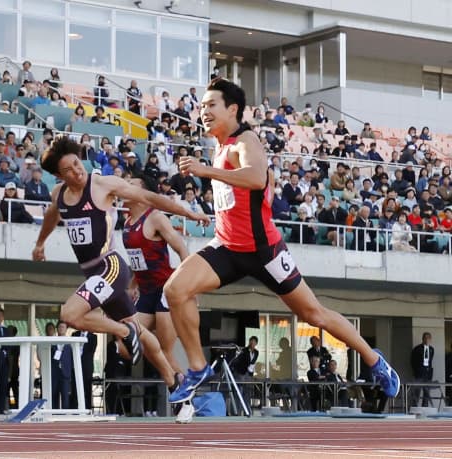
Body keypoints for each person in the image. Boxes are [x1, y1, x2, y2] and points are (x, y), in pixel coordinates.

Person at [163, 78, 401, 406]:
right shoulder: (218, 146)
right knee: (175, 290)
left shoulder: (244, 141)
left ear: (232, 109)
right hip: (228, 247)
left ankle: (375, 362)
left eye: (211, 105)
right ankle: (198, 367)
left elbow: (256, 177)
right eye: (201, 106)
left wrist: (206, 171)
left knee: (314, 315)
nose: (203, 111)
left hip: (265, 252)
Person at [33, 137, 210, 403]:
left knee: (70, 314)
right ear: (59, 175)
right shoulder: (59, 194)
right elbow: (51, 215)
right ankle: (176, 385)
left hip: (111, 267)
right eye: (68, 170)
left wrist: (189, 213)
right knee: (141, 331)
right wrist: (40, 243)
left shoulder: (103, 185)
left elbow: (149, 197)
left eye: (78, 163)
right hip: (94, 275)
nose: (77, 171)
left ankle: (123, 332)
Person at [122, 176, 187, 376]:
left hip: (166, 290)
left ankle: (186, 395)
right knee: (125, 347)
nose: (124, 187)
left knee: (166, 352)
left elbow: (182, 250)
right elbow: (138, 259)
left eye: (130, 185)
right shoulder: (127, 222)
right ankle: (177, 382)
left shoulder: (156, 218)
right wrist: (133, 283)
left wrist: (187, 287)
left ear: (142, 194)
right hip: (146, 291)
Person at [410, 332, 434, 407]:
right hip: (419, 373)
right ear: (423, 339)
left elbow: (430, 360)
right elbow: (412, 360)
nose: (427, 340)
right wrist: (416, 370)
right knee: (417, 391)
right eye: (425, 338)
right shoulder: (417, 349)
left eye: (428, 338)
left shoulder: (431, 349)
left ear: (430, 339)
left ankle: (425, 407)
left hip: (428, 373)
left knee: (426, 392)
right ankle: (414, 408)